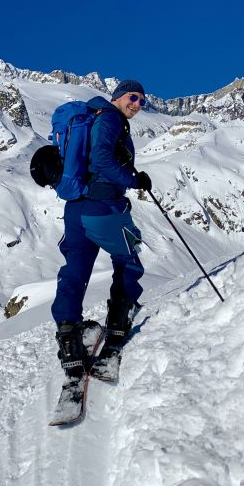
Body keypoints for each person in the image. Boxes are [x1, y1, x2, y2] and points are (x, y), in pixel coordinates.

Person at [52, 79, 152, 377]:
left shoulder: (93, 117)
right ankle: (119, 325)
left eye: (142, 100)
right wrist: (134, 180)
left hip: (76, 208)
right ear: (118, 96)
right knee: (128, 259)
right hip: (103, 206)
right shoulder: (110, 119)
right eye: (133, 97)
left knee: (74, 271)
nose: (137, 104)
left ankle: (69, 339)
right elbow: (103, 160)